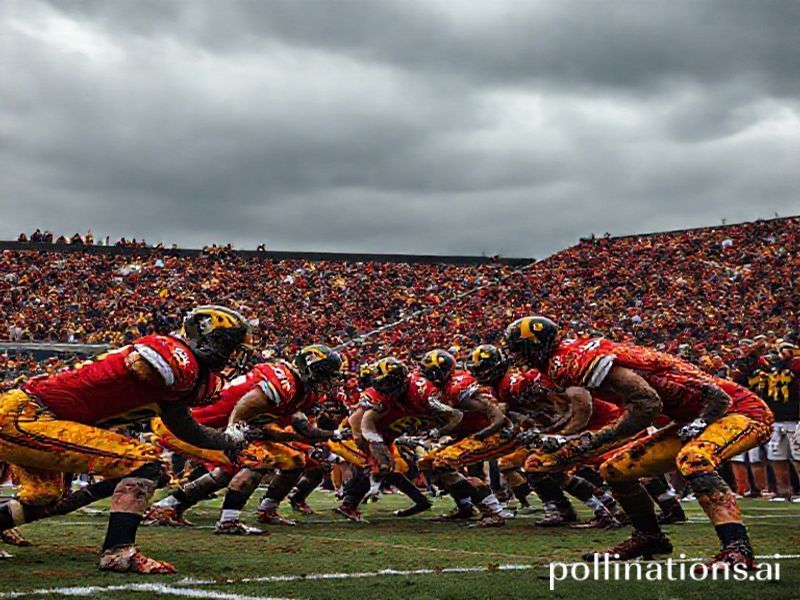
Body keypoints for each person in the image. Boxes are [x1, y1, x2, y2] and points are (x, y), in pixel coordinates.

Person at [0, 306, 254, 573]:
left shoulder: (189, 377)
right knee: (142, 460)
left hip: (48, 420)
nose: (231, 355)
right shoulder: (170, 351)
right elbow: (146, 364)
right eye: (228, 344)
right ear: (203, 335)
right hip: (28, 414)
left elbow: (186, 428)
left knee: (45, 497)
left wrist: (227, 440)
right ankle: (118, 551)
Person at [507, 316, 773, 569]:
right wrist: (570, 439)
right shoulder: (566, 358)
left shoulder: (573, 359)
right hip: (692, 418)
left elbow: (648, 405)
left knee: (694, 459)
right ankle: (649, 537)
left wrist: (589, 440)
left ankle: (737, 549)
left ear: (536, 346)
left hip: (738, 411)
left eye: (520, 349)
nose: (517, 357)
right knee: (615, 470)